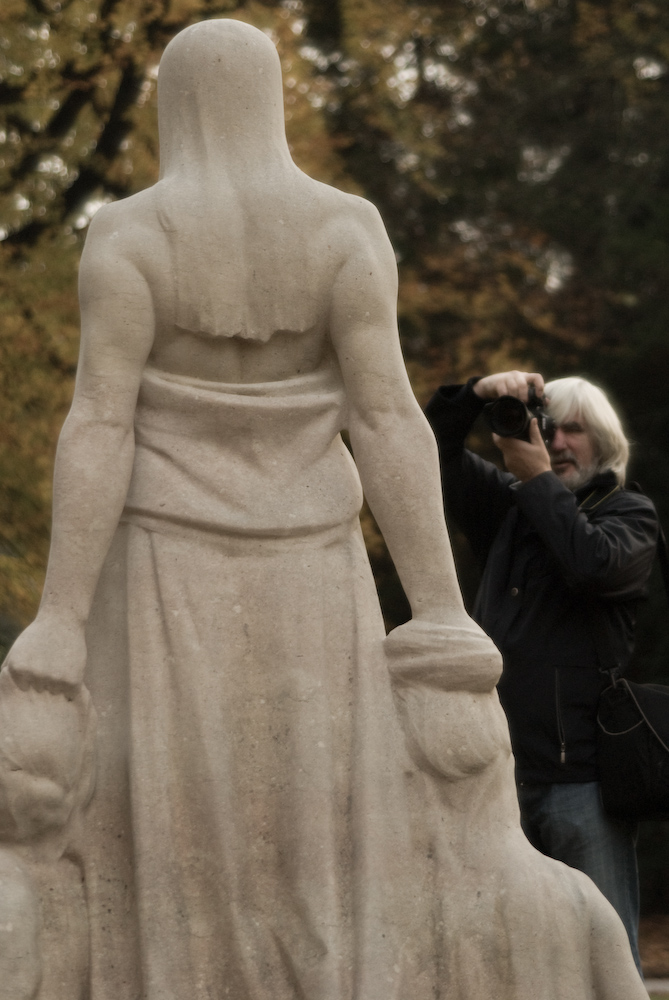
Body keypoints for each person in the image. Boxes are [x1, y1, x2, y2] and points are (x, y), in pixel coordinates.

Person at [1, 19, 483, 1000]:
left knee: (174, 820)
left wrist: (59, 613)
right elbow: (387, 419)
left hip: (161, 563)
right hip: (311, 560)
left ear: (175, 106)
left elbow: (99, 423)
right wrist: (439, 605)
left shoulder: (131, 234)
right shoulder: (345, 228)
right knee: (315, 817)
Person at [425, 369, 658, 973]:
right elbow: (424, 449)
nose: (555, 442)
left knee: (603, 956)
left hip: (580, 779)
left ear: (602, 442)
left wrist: (531, 479)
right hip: (493, 774)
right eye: (547, 426)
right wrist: (477, 395)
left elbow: (590, 564)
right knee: (505, 958)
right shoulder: (510, 509)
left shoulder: (630, 514)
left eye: (573, 430)